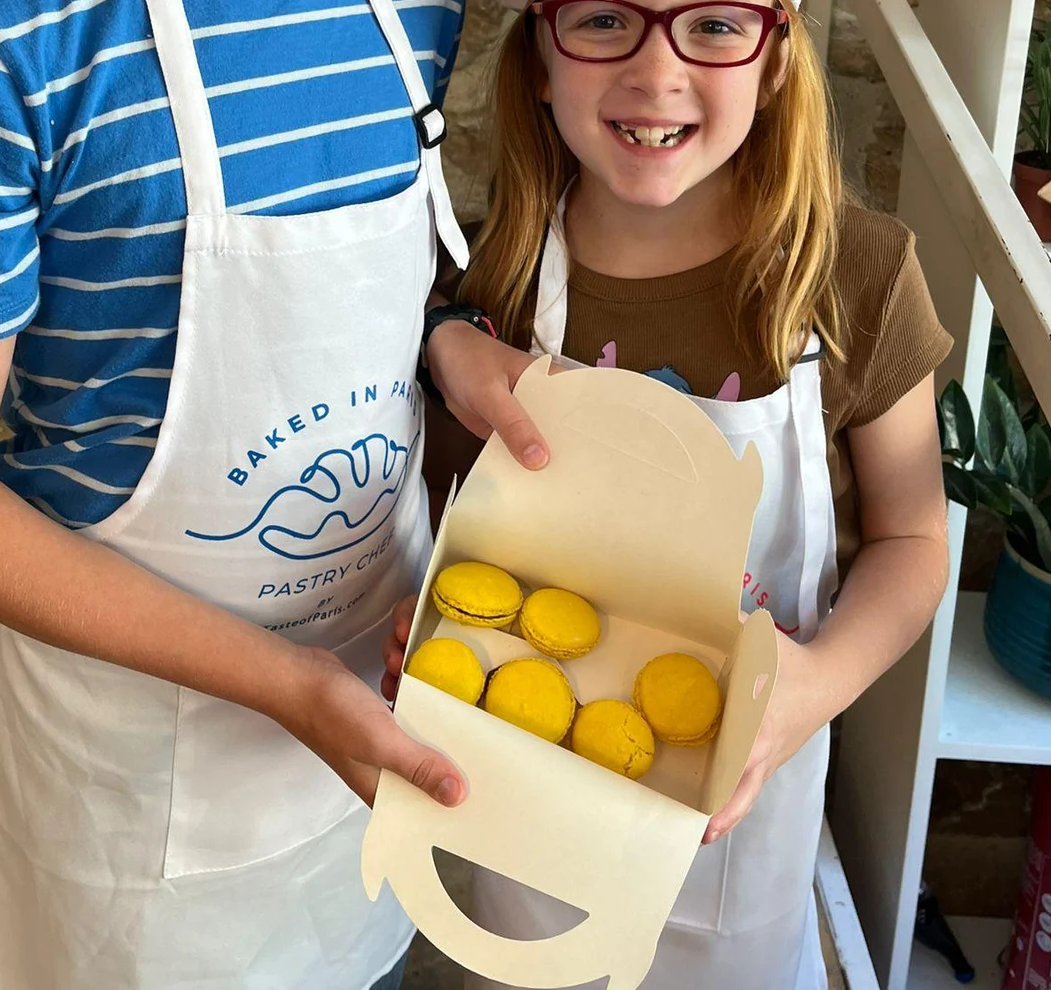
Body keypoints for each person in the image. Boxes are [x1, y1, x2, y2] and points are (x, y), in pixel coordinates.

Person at [0, 1, 550, 987]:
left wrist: (443, 336)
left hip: (382, 695)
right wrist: (290, 685)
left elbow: (353, 285)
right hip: (135, 777)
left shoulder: (416, 12)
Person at [389, 1, 952, 986]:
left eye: (716, 24)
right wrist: (429, 615)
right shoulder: (492, 284)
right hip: (531, 802)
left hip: (744, 819)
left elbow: (915, 538)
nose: (657, 72)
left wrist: (817, 685)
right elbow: (448, 521)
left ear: (777, 62)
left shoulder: (855, 277)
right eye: (606, 18)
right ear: (539, 60)